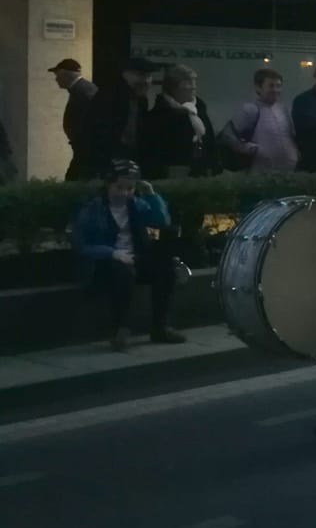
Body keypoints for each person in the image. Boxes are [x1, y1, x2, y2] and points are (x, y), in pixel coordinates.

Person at [71, 159, 184, 350]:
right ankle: (120, 329)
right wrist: (113, 253)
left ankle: (160, 326)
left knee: (165, 269)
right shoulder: (93, 209)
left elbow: (162, 221)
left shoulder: (137, 205)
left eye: (130, 188)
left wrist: (152, 196)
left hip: (134, 257)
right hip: (104, 263)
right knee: (123, 273)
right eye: (119, 187)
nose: (124, 193)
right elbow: (82, 245)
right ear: (109, 184)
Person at [80, 57, 159, 178]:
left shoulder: (141, 99)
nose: (147, 81)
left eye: (149, 76)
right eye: (142, 75)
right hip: (107, 160)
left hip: (127, 158)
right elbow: (99, 133)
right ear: (125, 74)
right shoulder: (109, 96)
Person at [221, 68, 299, 173]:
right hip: (261, 173)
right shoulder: (249, 109)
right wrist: (251, 149)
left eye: (278, 86)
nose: (276, 90)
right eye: (271, 86)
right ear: (258, 88)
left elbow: (289, 135)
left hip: (289, 170)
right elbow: (228, 136)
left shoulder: (283, 109)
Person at [145, 64, 216, 178]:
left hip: (200, 174)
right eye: (188, 82)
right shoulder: (159, 114)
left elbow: (210, 141)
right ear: (174, 87)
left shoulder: (199, 110)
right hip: (169, 174)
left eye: (194, 82)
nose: (193, 87)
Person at [51, 59, 98, 180]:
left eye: (57, 75)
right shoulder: (81, 89)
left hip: (86, 147)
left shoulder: (82, 91)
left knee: (76, 178)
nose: (56, 79)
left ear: (64, 74)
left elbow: (89, 120)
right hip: (83, 146)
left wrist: (80, 139)